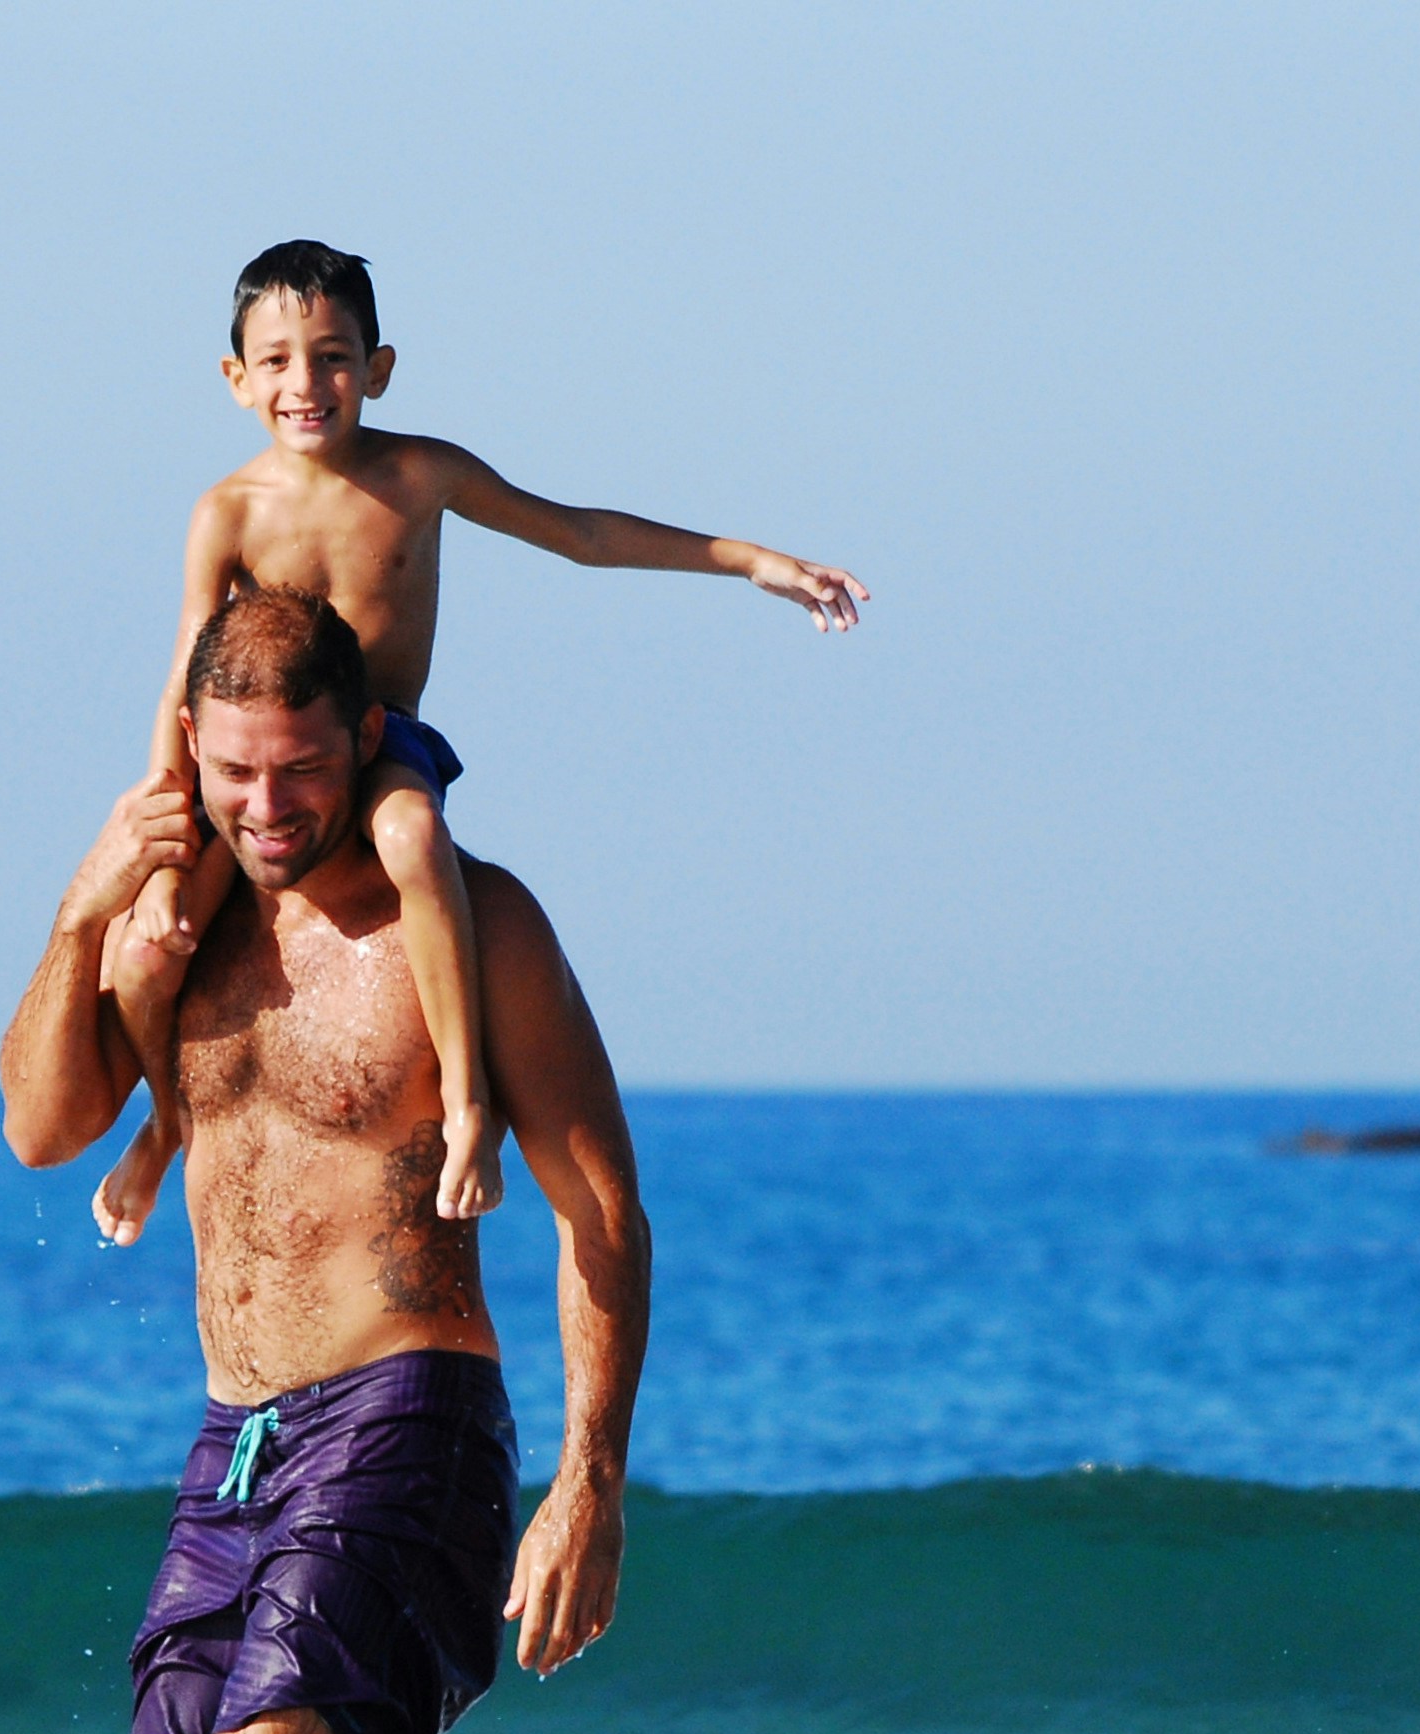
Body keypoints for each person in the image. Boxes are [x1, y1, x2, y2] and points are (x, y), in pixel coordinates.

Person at [1, 587, 651, 1734]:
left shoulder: (466, 925)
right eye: (228, 776)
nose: (263, 810)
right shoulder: (179, 922)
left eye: (295, 772)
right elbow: (42, 1120)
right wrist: (80, 915)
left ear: (362, 743)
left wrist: (589, 1472)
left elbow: (600, 1203)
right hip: (238, 1438)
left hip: (409, 1402)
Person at [85, 238, 859, 1248]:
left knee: (412, 841)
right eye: (275, 360)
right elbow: (186, 669)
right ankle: (164, 1119)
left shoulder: (420, 472)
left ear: (377, 367)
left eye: (330, 355)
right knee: (142, 952)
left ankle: (465, 1107)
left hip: (378, 744)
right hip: (265, 766)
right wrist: (160, 827)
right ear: (235, 380)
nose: (304, 382)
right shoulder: (225, 510)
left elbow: (579, 535)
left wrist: (747, 560)